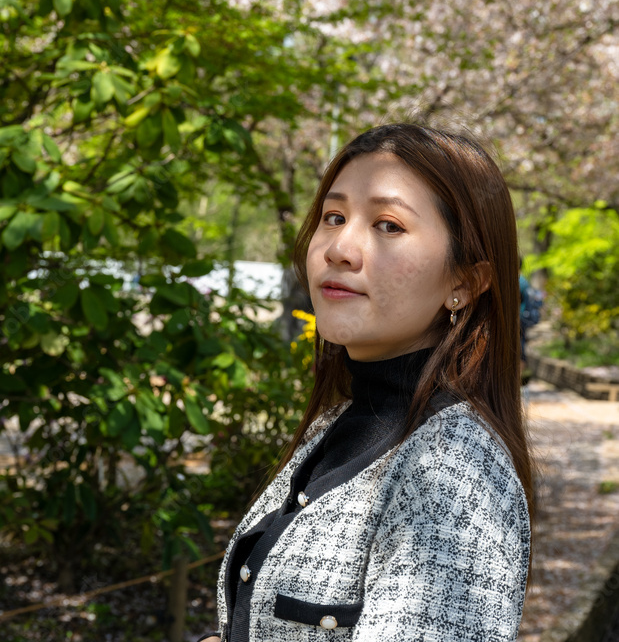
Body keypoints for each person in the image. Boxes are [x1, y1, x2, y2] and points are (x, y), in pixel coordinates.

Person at [197, 123, 534, 642]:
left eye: (388, 225)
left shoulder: (456, 473)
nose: (339, 248)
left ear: (464, 283)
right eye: (333, 217)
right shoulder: (338, 427)